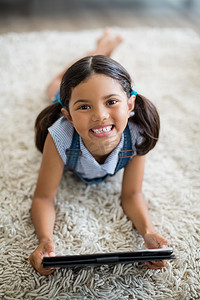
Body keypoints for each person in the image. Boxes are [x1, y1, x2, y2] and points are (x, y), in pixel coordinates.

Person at [29, 29, 168, 275]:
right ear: (68, 116)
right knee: (54, 84)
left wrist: (148, 232)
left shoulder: (138, 134)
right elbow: (43, 198)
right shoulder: (59, 135)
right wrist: (45, 240)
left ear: (130, 105)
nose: (100, 115)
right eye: (84, 106)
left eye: (111, 102)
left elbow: (132, 194)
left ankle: (101, 49)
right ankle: (100, 48)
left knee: (80, 76)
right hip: (59, 98)